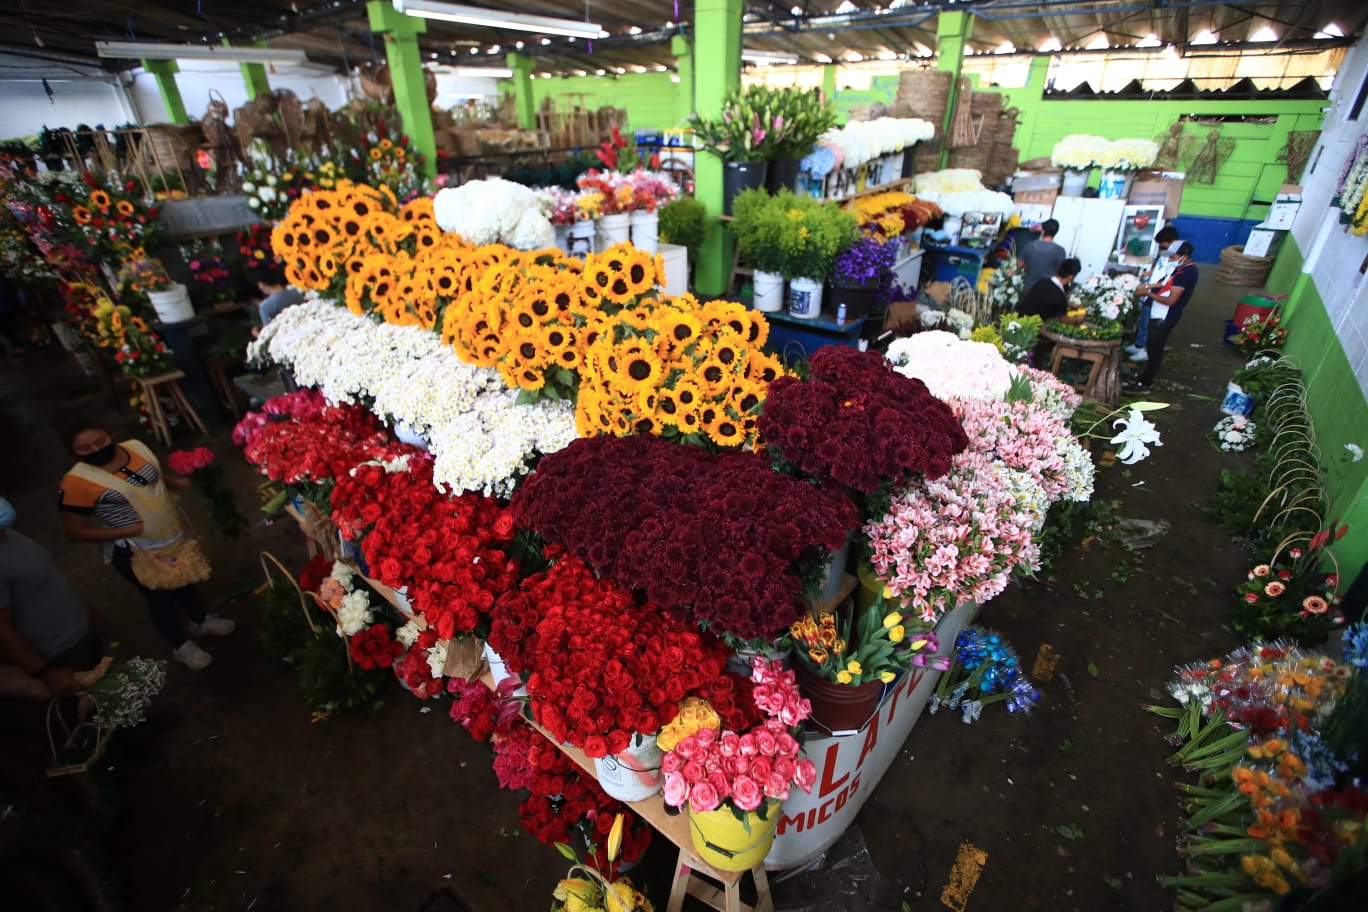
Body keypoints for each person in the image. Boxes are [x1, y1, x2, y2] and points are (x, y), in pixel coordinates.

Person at [58, 421, 233, 670]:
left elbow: (151, 479)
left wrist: (180, 483)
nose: (95, 449)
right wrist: (126, 530)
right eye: (84, 448)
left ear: (110, 435)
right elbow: (75, 532)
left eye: (100, 442)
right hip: (135, 550)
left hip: (172, 534)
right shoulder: (76, 483)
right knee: (159, 596)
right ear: (73, 452)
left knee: (185, 580)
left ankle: (200, 620)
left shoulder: (135, 448)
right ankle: (181, 645)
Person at [0, 495, 94, 696]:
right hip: (59, 652)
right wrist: (46, 673)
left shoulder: (8, 535)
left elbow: (44, 579)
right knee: (91, 710)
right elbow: (3, 632)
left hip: (77, 631)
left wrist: (84, 611)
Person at [1125, 241, 1199, 393]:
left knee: (1154, 351)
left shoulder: (1186, 273)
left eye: (1173, 257)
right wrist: (1146, 286)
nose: (1170, 260)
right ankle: (1144, 378)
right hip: (1158, 314)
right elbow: (1163, 284)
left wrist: (1147, 293)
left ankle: (1145, 383)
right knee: (1152, 348)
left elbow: (1172, 300)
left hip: (1164, 318)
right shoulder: (1179, 268)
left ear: (1184, 257)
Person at [1127, 225, 1183, 363]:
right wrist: (1149, 274)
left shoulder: (1177, 259)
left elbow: (1167, 281)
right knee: (1143, 318)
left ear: (1172, 242)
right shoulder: (1166, 255)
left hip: (1158, 294)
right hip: (1150, 292)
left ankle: (1145, 350)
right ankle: (1138, 344)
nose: (1161, 249)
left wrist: (1147, 286)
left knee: (1149, 323)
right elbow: (1160, 268)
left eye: (1163, 246)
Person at [1018, 219, 1067, 293]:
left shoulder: (1030, 245)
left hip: (1028, 288)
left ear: (1042, 231)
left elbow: (1019, 265)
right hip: (1047, 291)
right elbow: (1061, 273)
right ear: (1056, 232)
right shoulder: (1060, 251)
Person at [252, 262, 304, 328]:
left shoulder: (265, 306)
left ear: (262, 283)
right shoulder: (295, 292)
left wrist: (257, 335)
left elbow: (269, 332)